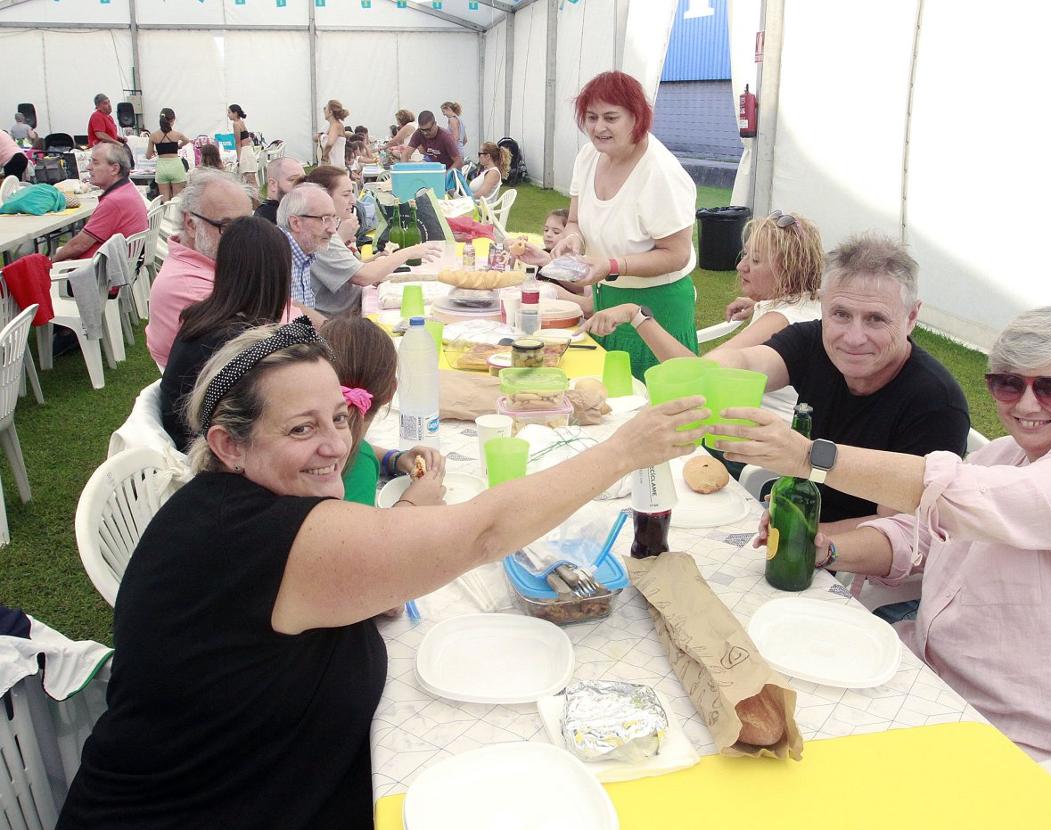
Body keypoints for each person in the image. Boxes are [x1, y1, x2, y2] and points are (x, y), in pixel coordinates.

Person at [56, 316, 708, 827]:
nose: (338, 445)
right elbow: (483, 530)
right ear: (229, 444)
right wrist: (622, 451)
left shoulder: (235, 507)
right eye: (302, 428)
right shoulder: (262, 538)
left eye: (340, 416)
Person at [735, 306, 1051, 816]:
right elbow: (920, 531)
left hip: (1042, 753)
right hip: (937, 690)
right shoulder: (1006, 456)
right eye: (1008, 384)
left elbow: (957, 496)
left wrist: (813, 456)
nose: (1027, 403)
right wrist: (829, 548)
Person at [700, 232, 970, 529]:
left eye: (876, 319)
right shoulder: (814, 341)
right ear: (823, 304)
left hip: (851, 556)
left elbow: (894, 528)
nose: (854, 338)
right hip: (797, 506)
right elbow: (746, 362)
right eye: (841, 314)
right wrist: (704, 375)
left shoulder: (936, 404)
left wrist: (799, 534)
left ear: (912, 317)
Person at [585, 211, 823, 453]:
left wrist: (635, 315)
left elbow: (697, 376)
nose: (741, 266)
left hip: (751, 448)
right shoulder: (807, 303)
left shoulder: (779, 320)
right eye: (745, 255)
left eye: (756, 261)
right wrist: (760, 304)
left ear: (790, 269)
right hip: (759, 432)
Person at [522, 71, 697, 379]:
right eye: (591, 117)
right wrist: (572, 240)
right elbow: (574, 220)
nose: (599, 128)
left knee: (654, 397)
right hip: (608, 297)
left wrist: (613, 265)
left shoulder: (660, 173)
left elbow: (677, 254)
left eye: (610, 118)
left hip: (657, 303)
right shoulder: (589, 156)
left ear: (636, 117)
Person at [160, 217, 292, 450]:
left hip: (196, 441)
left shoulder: (205, 316)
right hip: (208, 456)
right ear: (276, 277)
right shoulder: (236, 342)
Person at [319, 316, 438, 505]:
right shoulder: (358, 467)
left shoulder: (302, 437)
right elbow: (361, 534)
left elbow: (361, 447)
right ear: (392, 390)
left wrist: (393, 459)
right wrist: (412, 503)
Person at [146, 169, 255, 368]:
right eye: (228, 227)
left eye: (247, 226)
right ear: (191, 224)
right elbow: (258, 344)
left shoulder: (214, 261)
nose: (245, 238)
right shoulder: (188, 288)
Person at [300, 166, 438, 317]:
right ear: (324, 197)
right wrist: (410, 251)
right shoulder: (320, 235)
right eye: (346, 195)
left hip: (348, 312)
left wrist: (377, 259)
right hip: (341, 320)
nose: (353, 200)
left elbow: (353, 269)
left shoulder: (329, 230)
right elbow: (364, 276)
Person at [51, 143, 147, 263]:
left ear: (114, 169)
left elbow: (79, 245)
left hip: (102, 273)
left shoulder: (114, 201)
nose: (88, 167)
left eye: (95, 163)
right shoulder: (127, 190)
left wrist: (50, 262)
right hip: (121, 265)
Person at [277, 182, 338, 324]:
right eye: (325, 219)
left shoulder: (304, 251)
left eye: (334, 219)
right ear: (296, 223)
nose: (333, 229)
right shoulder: (275, 256)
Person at [145, 107, 190, 201]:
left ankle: (165, 215)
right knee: (177, 198)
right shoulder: (177, 134)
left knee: (164, 198)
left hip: (162, 167)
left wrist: (154, 152)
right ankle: (175, 215)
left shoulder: (153, 136)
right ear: (173, 119)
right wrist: (178, 146)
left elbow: (148, 156)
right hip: (176, 166)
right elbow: (187, 140)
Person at [254, 157, 304, 225]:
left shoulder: (292, 209)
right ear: (273, 184)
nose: (301, 185)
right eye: (293, 179)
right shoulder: (267, 219)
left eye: (303, 180)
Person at [228, 104, 260, 192]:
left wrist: (239, 158)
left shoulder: (236, 124)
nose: (228, 115)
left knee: (250, 181)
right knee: (252, 180)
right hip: (249, 150)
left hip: (245, 153)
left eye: (229, 112)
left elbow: (238, 143)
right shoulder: (241, 122)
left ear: (235, 113)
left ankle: (256, 201)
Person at [320, 100, 348, 168]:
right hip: (333, 164)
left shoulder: (335, 126)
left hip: (334, 165)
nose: (324, 110)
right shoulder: (333, 126)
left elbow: (330, 143)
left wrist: (324, 157)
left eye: (326, 108)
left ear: (330, 112)